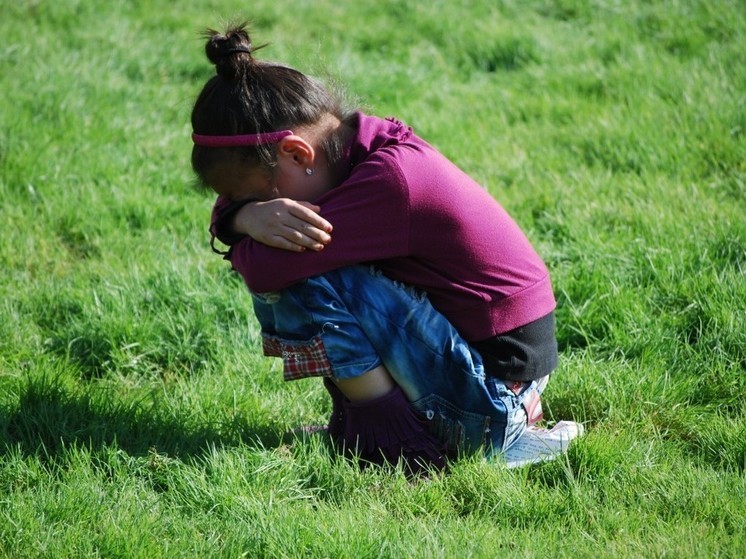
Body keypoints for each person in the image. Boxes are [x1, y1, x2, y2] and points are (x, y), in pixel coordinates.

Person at [190, 24, 582, 473]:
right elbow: (241, 225)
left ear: (298, 155)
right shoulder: (356, 147)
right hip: (498, 378)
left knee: (301, 271)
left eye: (261, 197)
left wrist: (240, 225)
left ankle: (393, 438)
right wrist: (242, 216)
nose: (265, 210)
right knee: (300, 253)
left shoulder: (390, 184)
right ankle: (377, 422)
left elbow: (263, 271)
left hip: (492, 399)